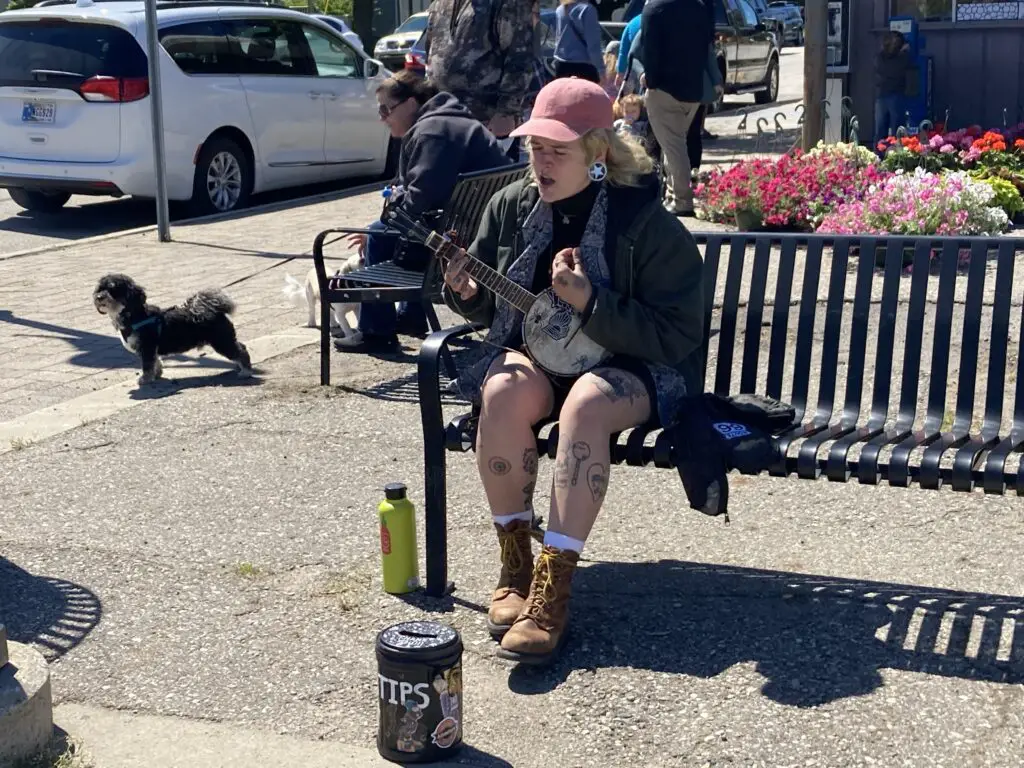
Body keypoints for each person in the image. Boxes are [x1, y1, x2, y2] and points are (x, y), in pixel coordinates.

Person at [440, 78, 705, 665]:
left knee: (586, 402)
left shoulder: (644, 222)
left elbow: (679, 333)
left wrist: (591, 304)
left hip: (633, 366)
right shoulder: (511, 206)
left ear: (598, 150)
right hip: (540, 358)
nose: (542, 161)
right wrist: (464, 291)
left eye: (558, 150)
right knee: (502, 390)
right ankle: (515, 561)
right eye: (536, 147)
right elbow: (491, 307)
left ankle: (551, 590)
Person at [339, 71, 511, 354]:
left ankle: (375, 331)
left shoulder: (432, 131)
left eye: (386, 108)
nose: (382, 117)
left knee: (378, 236)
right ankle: (409, 317)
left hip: (452, 244)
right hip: (477, 230)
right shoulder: (456, 120)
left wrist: (375, 230)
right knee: (382, 230)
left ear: (409, 103)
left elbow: (419, 201)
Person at [637, 0, 712, 216]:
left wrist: (649, 79)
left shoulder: (654, 9)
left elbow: (650, 50)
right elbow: (706, 45)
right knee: (675, 144)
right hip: (693, 89)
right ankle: (672, 195)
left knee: (674, 147)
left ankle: (682, 201)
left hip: (663, 89)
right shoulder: (698, 6)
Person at [423, 0, 536, 140]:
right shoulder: (440, 3)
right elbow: (430, 53)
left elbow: (520, 58)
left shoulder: (507, 3)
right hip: (441, 116)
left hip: (486, 121)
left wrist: (507, 111)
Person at [686, 39, 724, 177]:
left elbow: (709, 56)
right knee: (692, 132)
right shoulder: (698, 27)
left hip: (690, 89)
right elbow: (709, 57)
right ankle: (691, 171)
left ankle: (691, 171)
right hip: (693, 88)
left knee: (692, 132)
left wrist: (716, 81)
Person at [553, 0, 605, 83]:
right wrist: (601, 71)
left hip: (561, 66)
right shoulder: (588, 10)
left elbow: (558, 39)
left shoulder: (560, 9)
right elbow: (593, 47)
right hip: (583, 68)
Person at [874, 30, 911, 144]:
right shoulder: (902, 58)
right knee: (898, 128)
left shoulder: (880, 57)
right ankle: (896, 153)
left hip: (881, 95)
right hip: (896, 95)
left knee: (881, 129)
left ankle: (879, 154)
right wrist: (905, 52)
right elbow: (900, 68)